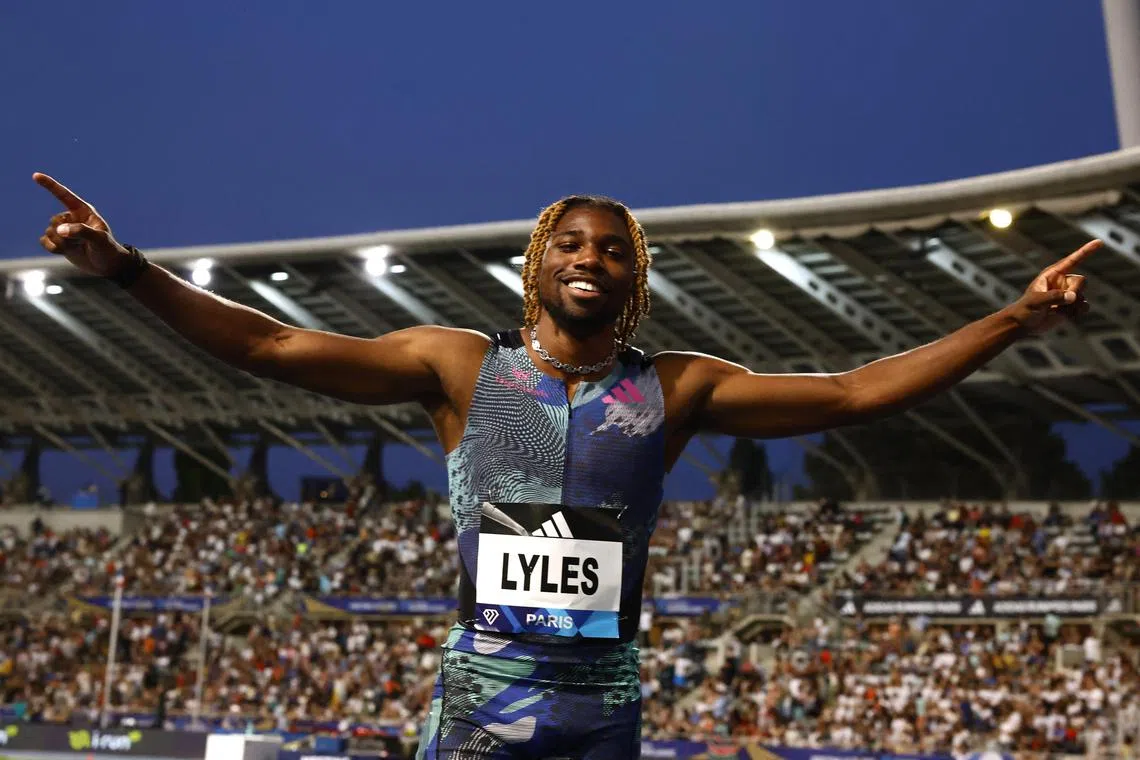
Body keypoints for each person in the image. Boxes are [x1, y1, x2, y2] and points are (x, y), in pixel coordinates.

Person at [31, 172, 1097, 759]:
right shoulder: (456, 368)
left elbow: (859, 390)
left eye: (614, 247)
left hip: (604, 705)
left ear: (635, 275)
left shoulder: (678, 387)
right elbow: (268, 347)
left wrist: (1014, 315)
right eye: (572, 243)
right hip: (483, 699)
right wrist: (126, 270)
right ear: (537, 261)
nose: (592, 257)